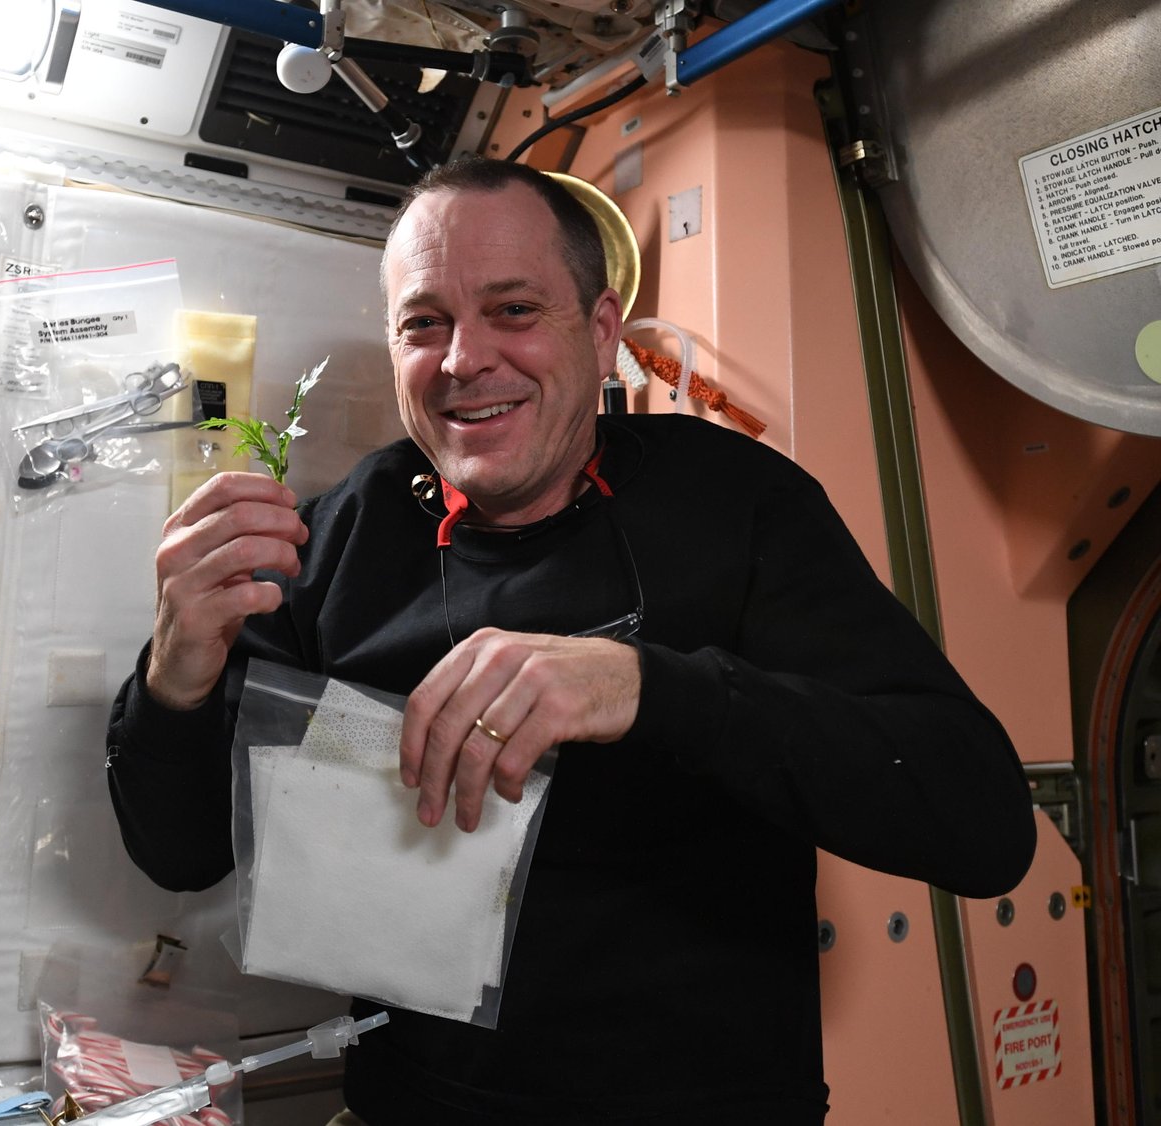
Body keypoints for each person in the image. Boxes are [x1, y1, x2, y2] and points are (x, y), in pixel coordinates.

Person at [106, 155, 1036, 1125]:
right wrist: (177, 670)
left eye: (513, 309)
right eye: (425, 322)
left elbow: (980, 822)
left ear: (600, 335)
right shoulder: (341, 534)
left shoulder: (738, 505)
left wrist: (646, 688)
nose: (465, 358)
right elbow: (183, 850)